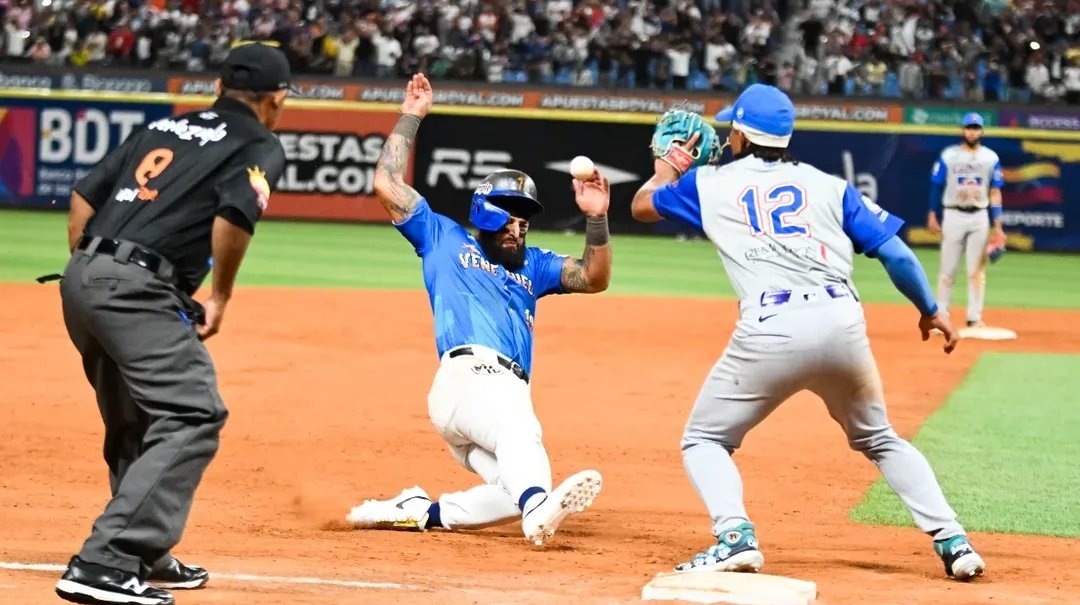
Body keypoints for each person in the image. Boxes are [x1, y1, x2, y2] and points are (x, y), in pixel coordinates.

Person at [629, 84, 986, 582]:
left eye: (733, 128)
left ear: (741, 135)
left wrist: (670, 166)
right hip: (842, 323)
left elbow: (642, 206)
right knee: (880, 438)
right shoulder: (829, 186)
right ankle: (953, 540)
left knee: (705, 439)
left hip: (771, 329)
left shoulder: (709, 183)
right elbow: (897, 253)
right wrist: (929, 309)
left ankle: (734, 536)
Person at [52, 41, 291, 605]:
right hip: (137, 287)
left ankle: (143, 554)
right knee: (192, 412)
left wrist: (93, 270)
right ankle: (106, 561)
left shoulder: (163, 128)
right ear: (277, 98)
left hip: (82, 277)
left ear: (219, 87)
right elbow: (235, 215)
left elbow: (84, 197)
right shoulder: (258, 143)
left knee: (133, 420)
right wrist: (220, 296)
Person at [345, 74, 611, 546]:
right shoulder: (444, 238)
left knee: (515, 488)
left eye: (524, 218)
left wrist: (596, 218)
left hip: (486, 399)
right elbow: (386, 183)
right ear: (485, 211)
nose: (518, 225)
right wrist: (411, 115)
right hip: (470, 378)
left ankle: (419, 510)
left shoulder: (535, 265)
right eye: (508, 213)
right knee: (521, 438)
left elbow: (594, 277)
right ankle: (538, 510)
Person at [926, 113, 1005, 328]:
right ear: (963, 130)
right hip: (953, 214)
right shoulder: (949, 155)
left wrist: (998, 225)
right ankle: (941, 316)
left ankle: (974, 317)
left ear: (982, 131)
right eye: (969, 127)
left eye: (976, 128)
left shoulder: (990, 158)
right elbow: (936, 186)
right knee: (947, 271)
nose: (972, 131)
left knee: (976, 271)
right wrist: (932, 214)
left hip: (979, 216)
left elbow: (995, 191)